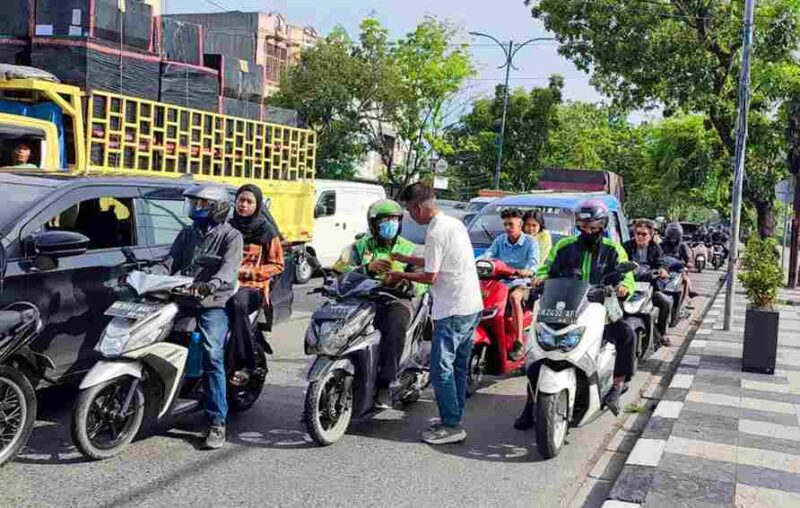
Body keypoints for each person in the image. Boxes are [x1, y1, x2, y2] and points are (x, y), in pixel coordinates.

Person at [514, 199, 636, 430]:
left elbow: (626, 276)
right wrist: (540, 277)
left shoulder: (613, 249)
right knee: (538, 353)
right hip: (563, 307)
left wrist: (624, 287)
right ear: (578, 224)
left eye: (594, 226)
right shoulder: (565, 246)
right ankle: (530, 405)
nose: (588, 231)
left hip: (598, 310)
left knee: (626, 334)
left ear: (602, 225)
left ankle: (617, 386)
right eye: (584, 226)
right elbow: (545, 267)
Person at [387, 183, 482, 445]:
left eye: (408, 209)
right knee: (459, 366)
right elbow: (436, 261)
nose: (409, 215)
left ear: (417, 207)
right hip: (471, 305)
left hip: (452, 309)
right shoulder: (453, 224)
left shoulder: (436, 232)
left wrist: (399, 274)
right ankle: (454, 417)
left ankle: (451, 425)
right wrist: (402, 258)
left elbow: (431, 275)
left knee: (441, 368)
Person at [152, 183, 243, 450]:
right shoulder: (187, 233)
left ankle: (217, 422)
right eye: (194, 203)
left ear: (218, 208)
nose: (195, 208)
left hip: (211, 302)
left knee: (212, 354)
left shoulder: (231, 236)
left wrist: (211, 284)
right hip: (181, 297)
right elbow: (170, 262)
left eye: (202, 204)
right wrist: (149, 274)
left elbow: (228, 269)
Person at [331, 199, 421, 408]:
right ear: (373, 223)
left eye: (395, 220)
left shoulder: (409, 249)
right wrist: (367, 269)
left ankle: (385, 384)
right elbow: (337, 271)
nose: (390, 224)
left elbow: (421, 280)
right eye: (385, 220)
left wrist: (404, 282)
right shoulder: (358, 247)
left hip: (395, 300)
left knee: (394, 325)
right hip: (362, 298)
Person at [226, 184, 284, 387]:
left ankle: (246, 364)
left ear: (257, 205)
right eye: (240, 200)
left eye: (249, 201)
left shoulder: (265, 230)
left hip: (253, 287)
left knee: (238, 304)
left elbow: (277, 265)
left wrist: (252, 272)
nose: (243, 205)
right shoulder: (228, 226)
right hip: (225, 283)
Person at [478, 208, 538, 360]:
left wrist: (526, 271)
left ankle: (518, 342)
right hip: (499, 282)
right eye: (505, 225)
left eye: (511, 224)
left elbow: (533, 265)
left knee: (515, 298)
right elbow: (488, 255)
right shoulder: (500, 240)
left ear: (520, 224)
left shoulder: (531, 242)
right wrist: (477, 262)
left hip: (521, 282)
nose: (507, 228)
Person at [623, 219, 673, 346]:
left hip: (650, 286)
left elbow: (662, 263)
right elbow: (618, 260)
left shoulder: (656, 248)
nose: (640, 237)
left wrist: (662, 270)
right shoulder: (626, 246)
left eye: (644, 234)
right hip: (628, 286)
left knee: (665, 302)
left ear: (650, 235)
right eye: (637, 233)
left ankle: (662, 333)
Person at [660, 223, 698, 303]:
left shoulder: (682, 245)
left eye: (675, 235)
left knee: (685, 279)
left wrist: (689, 263)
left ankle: (688, 294)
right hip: (664, 268)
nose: (673, 237)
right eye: (671, 234)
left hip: (678, 269)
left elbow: (688, 258)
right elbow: (657, 255)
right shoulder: (662, 244)